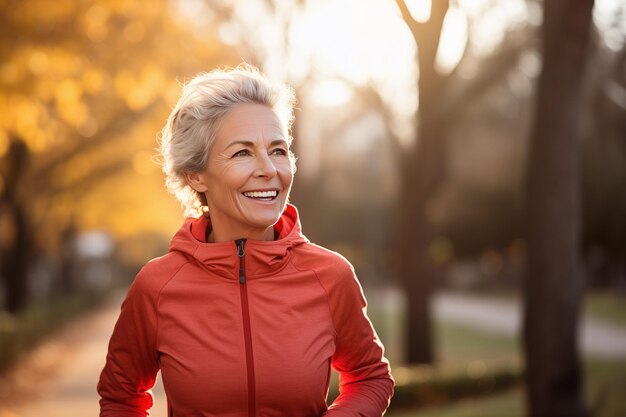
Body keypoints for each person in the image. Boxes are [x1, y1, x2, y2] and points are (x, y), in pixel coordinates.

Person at [98, 64, 394, 417]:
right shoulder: (157, 287)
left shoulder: (330, 275)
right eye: (242, 152)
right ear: (196, 175)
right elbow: (120, 399)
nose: (268, 169)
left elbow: (370, 376)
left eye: (278, 150)